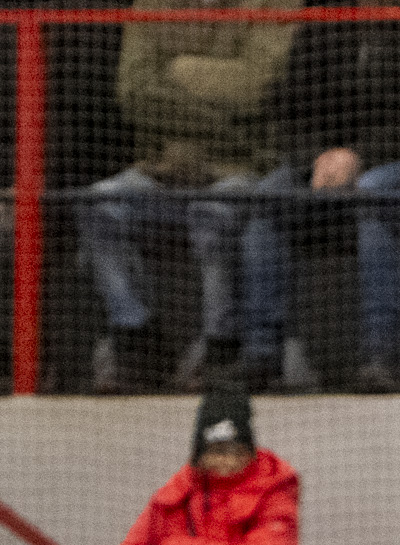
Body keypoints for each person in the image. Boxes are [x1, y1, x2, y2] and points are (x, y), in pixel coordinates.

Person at [81, 0, 296, 393]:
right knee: (99, 204)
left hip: (241, 167)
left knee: (211, 212)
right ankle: (137, 337)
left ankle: (221, 344)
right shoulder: (153, 4)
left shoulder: (274, 3)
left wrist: (178, 70)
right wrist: (224, 123)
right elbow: (133, 92)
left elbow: (258, 88)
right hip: (161, 166)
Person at [242, 1, 400, 393]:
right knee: (267, 197)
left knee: (372, 191)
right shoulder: (325, 18)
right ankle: (262, 354)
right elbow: (290, 107)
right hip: (327, 156)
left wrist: (361, 155)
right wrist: (317, 155)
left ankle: (382, 354)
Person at [110, 387, 307, 545]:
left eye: (237, 451)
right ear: (199, 453)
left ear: (250, 451)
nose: (227, 462)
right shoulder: (174, 495)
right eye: (216, 452)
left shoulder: (275, 485)